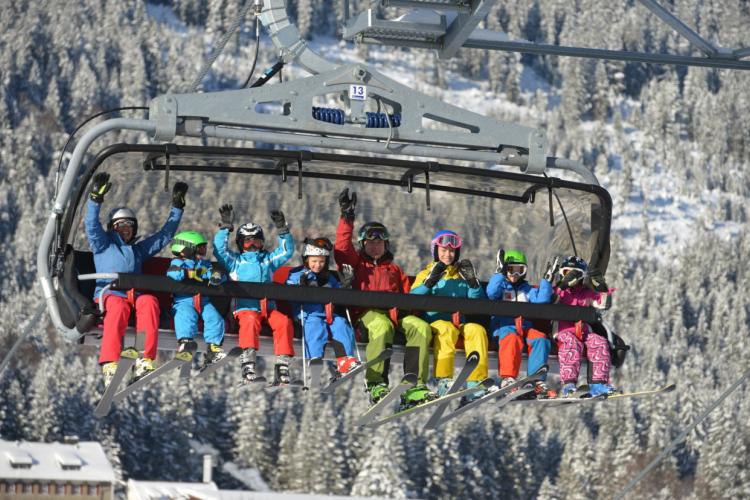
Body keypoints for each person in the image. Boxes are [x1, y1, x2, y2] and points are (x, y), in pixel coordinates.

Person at [333, 188, 433, 406]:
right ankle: (376, 382)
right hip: (368, 315)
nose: (375, 245)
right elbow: (341, 249)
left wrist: (410, 311)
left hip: (396, 314)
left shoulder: (394, 269)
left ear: (386, 244)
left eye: (379, 242)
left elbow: (407, 294)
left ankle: (414, 385)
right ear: (363, 244)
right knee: (382, 327)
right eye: (370, 242)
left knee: (421, 328)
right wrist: (347, 218)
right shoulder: (357, 264)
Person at [85, 172, 186, 386]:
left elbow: (164, 236)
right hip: (110, 295)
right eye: (120, 226)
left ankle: (144, 356)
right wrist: (95, 199)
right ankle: (110, 362)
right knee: (118, 309)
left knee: (150, 303)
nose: (125, 230)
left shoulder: (138, 251)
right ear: (113, 228)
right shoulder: (103, 245)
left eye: (129, 226)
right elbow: (91, 226)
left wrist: (177, 208)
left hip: (135, 295)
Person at [213, 204, 295, 385]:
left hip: (268, 309)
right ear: (240, 245)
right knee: (250, 320)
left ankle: (282, 364)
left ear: (262, 243)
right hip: (244, 309)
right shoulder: (236, 262)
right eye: (247, 242)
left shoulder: (267, 261)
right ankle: (248, 363)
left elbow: (286, 251)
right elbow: (219, 251)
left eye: (256, 242)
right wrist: (225, 228)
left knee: (283, 321)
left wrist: (283, 231)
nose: (252, 246)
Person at [410, 230, 489, 402]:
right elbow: (412, 297)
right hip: (435, 323)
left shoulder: (461, 275)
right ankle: (444, 379)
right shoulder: (426, 273)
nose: (448, 254)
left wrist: (473, 283)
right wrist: (429, 283)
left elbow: (479, 301)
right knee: (446, 329)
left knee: (477, 330)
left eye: (451, 251)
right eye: (443, 250)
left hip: (459, 323)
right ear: (436, 251)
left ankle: (475, 381)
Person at [286, 237, 361, 375]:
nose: (318, 265)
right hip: (308, 313)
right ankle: (315, 356)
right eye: (314, 261)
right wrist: (300, 286)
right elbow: (289, 287)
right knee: (315, 326)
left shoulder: (328, 278)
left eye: (321, 261)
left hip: (328, 313)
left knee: (341, 323)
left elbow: (337, 292)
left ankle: (345, 360)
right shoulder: (298, 274)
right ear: (306, 260)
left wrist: (345, 285)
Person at [486, 249, 556, 399]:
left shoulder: (527, 289)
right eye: (511, 270)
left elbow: (542, 300)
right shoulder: (501, 288)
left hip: (525, 328)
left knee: (541, 338)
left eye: (519, 271)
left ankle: (536, 381)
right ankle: (508, 378)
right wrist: (498, 272)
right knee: (512, 337)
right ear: (505, 270)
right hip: (504, 328)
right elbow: (491, 293)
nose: (515, 275)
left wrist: (547, 281)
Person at [553, 255, 617, 397]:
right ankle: (569, 383)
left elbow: (602, 304)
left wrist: (602, 287)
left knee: (599, 342)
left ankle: (598, 383)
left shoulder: (586, 293)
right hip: (563, 331)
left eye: (575, 274)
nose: (571, 279)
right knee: (571, 344)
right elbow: (550, 300)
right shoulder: (559, 291)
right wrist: (562, 285)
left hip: (584, 332)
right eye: (566, 273)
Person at [166, 230, 226, 368]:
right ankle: (185, 343)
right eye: (200, 248)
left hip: (204, 301)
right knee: (186, 315)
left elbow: (214, 273)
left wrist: (216, 276)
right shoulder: (177, 263)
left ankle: (213, 348)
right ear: (185, 249)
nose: (203, 252)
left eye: (203, 248)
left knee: (215, 317)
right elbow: (173, 274)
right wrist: (191, 273)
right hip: (183, 301)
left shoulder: (204, 264)